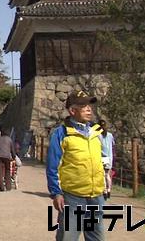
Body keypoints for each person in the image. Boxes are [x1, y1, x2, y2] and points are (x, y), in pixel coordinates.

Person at [47, 91, 105, 241]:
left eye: (89, 105)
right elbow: (52, 166)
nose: (89, 109)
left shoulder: (97, 132)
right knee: (68, 238)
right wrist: (56, 193)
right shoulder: (61, 134)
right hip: (73, 198)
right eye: (83, 106)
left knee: (96, 238)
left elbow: (103, 160)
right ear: (72, 111)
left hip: (96, 196)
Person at [97, 119, 114, 200]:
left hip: (103, 157)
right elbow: (113, 144)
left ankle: (104, 191)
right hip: (110, 157)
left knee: (103, 174)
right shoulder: (110, 135)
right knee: (107, 175)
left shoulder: (98, 135)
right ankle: (109, 189)